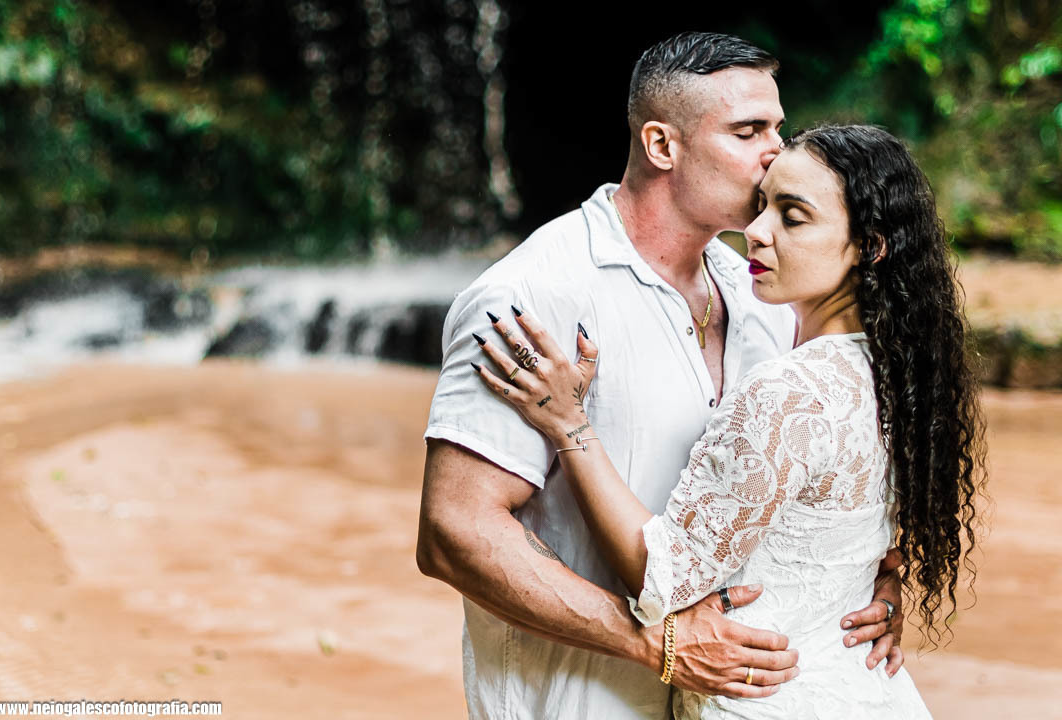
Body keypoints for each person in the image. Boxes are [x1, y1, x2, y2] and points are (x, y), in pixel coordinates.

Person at [417, 33, 905, 720]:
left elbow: (804, 488)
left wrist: (866, 584)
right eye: (749, 131)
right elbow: (454, 533)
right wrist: (653, 643)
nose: (776, 151)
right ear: (661, 146)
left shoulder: (766, 294)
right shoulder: (532, 296)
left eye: (778, 127)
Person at [471, 123, 987, 718]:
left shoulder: (789, 390)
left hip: (765, 700)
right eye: (763, 206)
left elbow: (663, 577)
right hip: (867, 691)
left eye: (793, 217)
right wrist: (881, 584)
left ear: (869, 248)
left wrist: (569, 424)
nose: (757, 232)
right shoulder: (902, 376)